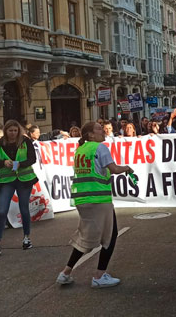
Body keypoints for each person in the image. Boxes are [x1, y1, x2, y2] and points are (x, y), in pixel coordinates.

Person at [56, 122, 134, 288]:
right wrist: (127, 168)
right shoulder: (100, 148)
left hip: (82, 199)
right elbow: (113, 169)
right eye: (99, 129)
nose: (103, 131)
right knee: (110, 237)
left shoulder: (80, 150)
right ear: (90, 134)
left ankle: (65, 272)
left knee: (85, 235)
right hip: (99, 199)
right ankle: (99, 276)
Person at [0, 120, 37, 256]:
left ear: (19, 131)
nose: (13, 133)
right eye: (10, 131)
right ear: (6, 131)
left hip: (24, 179)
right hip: (7, 180)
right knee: (2, 211)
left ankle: (26, 237)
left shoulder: (26, 142)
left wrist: (18, 164)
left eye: (15, 131)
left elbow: (32, 159)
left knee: (24, 209)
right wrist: (3, 162)